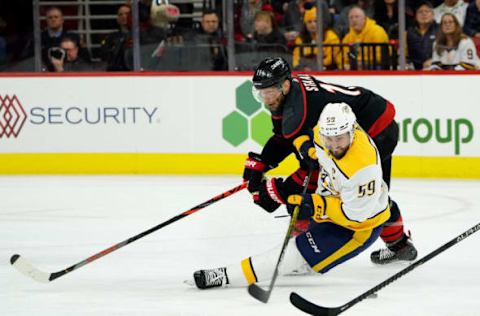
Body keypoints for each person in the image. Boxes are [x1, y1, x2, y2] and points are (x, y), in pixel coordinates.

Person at [191, 103, 391, 289]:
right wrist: (306, 148)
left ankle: (224, 276)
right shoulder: (326, 135)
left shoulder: (363, 170)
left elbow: (354, 215)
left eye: (339, 138)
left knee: (295, 252)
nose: (334, 145)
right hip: (334, 201)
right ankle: (304, 263)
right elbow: (307, 136)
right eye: (328, 139)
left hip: (356, 228)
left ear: (352, 131)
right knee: (302, 249)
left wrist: (314, 204)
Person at [241, 57, 417, 265]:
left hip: (377, 131)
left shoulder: (298, 108)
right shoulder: (289, 96)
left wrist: (278, 191)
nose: (266, 99)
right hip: (370, 121)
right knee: (368, 195)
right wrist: (263, 162)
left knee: (365, 196)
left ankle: (303, 248)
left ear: (285, 85)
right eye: (261, 93)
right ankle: (400, 245)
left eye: (269, 92)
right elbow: (284, 137)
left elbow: (311, 166)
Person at [41, 6, 82, 71]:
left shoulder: (73, 37)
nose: (53, 19)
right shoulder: (39, 38)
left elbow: (83, 58)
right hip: (43, 73)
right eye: (50, 17)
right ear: (46, 20)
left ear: (62, 20)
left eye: (56, 17)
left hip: (68, 72)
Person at [407, 1, 438, 70]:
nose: (424, 14)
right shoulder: (409, 32)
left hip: (435, 67)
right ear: (416, 16)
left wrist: (434, 60)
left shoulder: (440, 30)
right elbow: (404, 53)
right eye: (420, 12)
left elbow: (445, 50)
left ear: (433, 15)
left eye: (427, 11)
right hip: (414, 69)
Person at [100, 4, 132, 71]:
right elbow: (104, 57)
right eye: (120, 14)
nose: (124, 16)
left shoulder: (140, 35)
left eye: (127, 14)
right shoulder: (110, 37)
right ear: (117, 19)